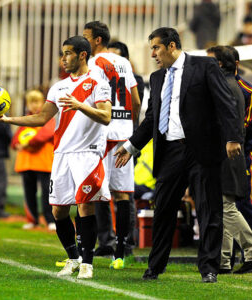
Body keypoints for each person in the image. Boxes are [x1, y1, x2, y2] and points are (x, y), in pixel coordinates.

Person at [114, 27, 242, 283]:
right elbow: (151, 118)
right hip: (170, 151)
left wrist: (232, 137)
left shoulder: (204, 66)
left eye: (156, 48)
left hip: (201, 150)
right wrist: (130, 146)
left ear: (171, 46)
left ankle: (208, 268)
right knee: (162, 210)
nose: (153, 54)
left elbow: (225, 103)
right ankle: (155, 267)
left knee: (208, 210)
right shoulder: (157, 77)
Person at [0, 36, 112, 279]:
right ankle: (73, 258)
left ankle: (87, 263)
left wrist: (81, 105)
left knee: (85, 206)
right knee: (58, 211)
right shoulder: (58, 87)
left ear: (83, 55)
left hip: (87, 154)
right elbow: (41, 118)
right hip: (62, 154)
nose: (62, 58)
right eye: (62, 53)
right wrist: (8, 120)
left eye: (67, 53)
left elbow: (106, 117)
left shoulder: (98, 82)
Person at [83, 21, 141, 269]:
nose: (83, 42)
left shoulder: (94, 63)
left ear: (97, 40)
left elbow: (92, 96)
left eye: (86, 38)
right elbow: (136, 100)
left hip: (102, 134)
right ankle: (120, 252)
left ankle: (88, 249)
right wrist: (130, 125)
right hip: (123, 134)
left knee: (93, 191)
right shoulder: (125, 62)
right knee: (123, 193)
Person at [207, 45, 252, 274]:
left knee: (226, 207)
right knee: (222, 205)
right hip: (231, 151)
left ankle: (251, 249)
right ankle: (223, 261)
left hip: (227, 151)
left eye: (210, 62)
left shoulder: (224, 86)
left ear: (220, 64)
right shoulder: (232, 85)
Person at [11, 89, 55, 230]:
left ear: (43, 103)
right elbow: (15, 140)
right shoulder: (26, 120)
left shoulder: (47, 118)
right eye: (31, 102)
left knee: (47, 193)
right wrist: (17, 144)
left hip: (44, 162)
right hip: (26, 163)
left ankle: (50, 220)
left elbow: (46, 134)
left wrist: (29, 144)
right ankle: (32, 219)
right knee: (29, 192)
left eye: (37, 101)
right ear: (27, 104)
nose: (35, 105)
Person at [225, 45, 252, 230]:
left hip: (243, 154)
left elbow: (245, 126)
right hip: (221, 155)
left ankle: (248, 250)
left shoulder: (246, 90)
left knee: (243, 203)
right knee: (226, 205)